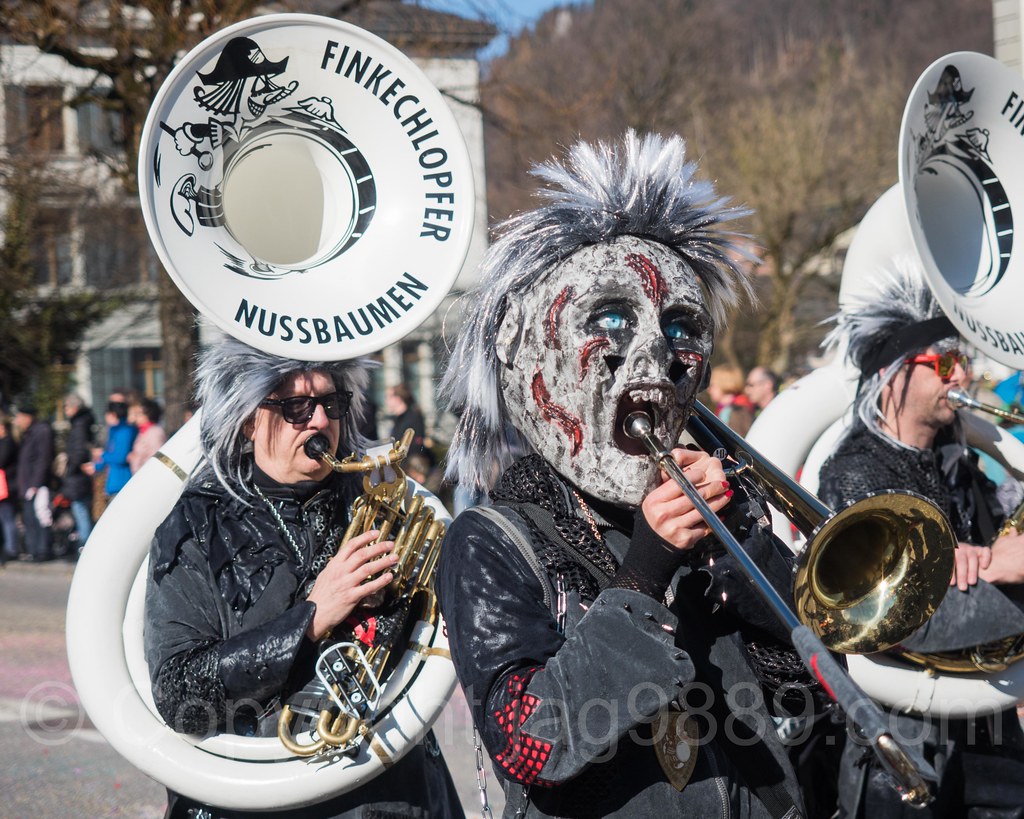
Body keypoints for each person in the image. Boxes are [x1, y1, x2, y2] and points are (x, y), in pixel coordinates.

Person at [437, 132, 818, 817]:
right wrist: (644, 572)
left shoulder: (719, 510)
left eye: (682, 327)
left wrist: (746, 549)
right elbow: (529, 746)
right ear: (526, 347)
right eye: (611, 317)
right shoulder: (489, 539)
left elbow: (812, 693)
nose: (656, 354)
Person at [144, 337, 463, 819]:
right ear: (249, 419)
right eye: (295, 406)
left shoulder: (381, 501)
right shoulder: (196, 524)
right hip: (260, 797)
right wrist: (311, 618)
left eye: (331, 403)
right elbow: (180, 693)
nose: (319, 422)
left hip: (392, 792)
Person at [817, 263, 1024, 819]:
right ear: (896, 375)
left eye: (964, 362)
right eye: (948, 363)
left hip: (991, 730)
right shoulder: (854, 473)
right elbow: (896, 621)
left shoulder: (960, 464)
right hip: (906, 741)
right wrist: (1003, 568)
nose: (964, 377)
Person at [13, 403, 54, 562]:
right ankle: (34, 550)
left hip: (37, 485)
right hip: (27, 484)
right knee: (30, 519)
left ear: (28, 417)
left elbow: (43, 459)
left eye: (19, 417)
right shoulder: (29, 433)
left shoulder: (42, 431)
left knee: (41, 517)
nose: (17, 421)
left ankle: (43, 550)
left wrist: (36, 483)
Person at [61, 394, 96, 547]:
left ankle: (85, 544)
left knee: (80, 508)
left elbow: (79, 450)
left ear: (75, 407)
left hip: (78, 475)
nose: (65, 410)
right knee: (83, 508)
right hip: (80, 474)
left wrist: (71, 468)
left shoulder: (80, 425)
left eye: (66, 406)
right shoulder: (82, 422)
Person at [85, 399, 137, 501]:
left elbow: (120, 457)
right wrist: (96, 466)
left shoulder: (124, 431)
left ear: (112, 414)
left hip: (121, 481)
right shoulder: (115, 430)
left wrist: (102, 454)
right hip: (114, 481)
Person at [707, 363, 756, 435]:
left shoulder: (737, 410)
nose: (709, 390)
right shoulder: (726, 408)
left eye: (712, 385)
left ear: (724, 384)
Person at [385, 383, 430, 461]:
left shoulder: (413, 418)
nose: (386, 401)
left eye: (388, 397)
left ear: (398, 398)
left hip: (409, 465)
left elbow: (415, 449)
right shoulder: (399, 419)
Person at [127, 397, 167, 474]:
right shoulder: (142, 432)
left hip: (150, 475)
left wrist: (136, 458)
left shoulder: (154, 432)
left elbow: (156, 458)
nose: (136, 417)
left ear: (148, 415)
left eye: (139, 414)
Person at [0, 415, 18, 562]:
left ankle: (11, 548)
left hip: (7, 486)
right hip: (3, 486)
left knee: (8, 518)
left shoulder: (8, 442)